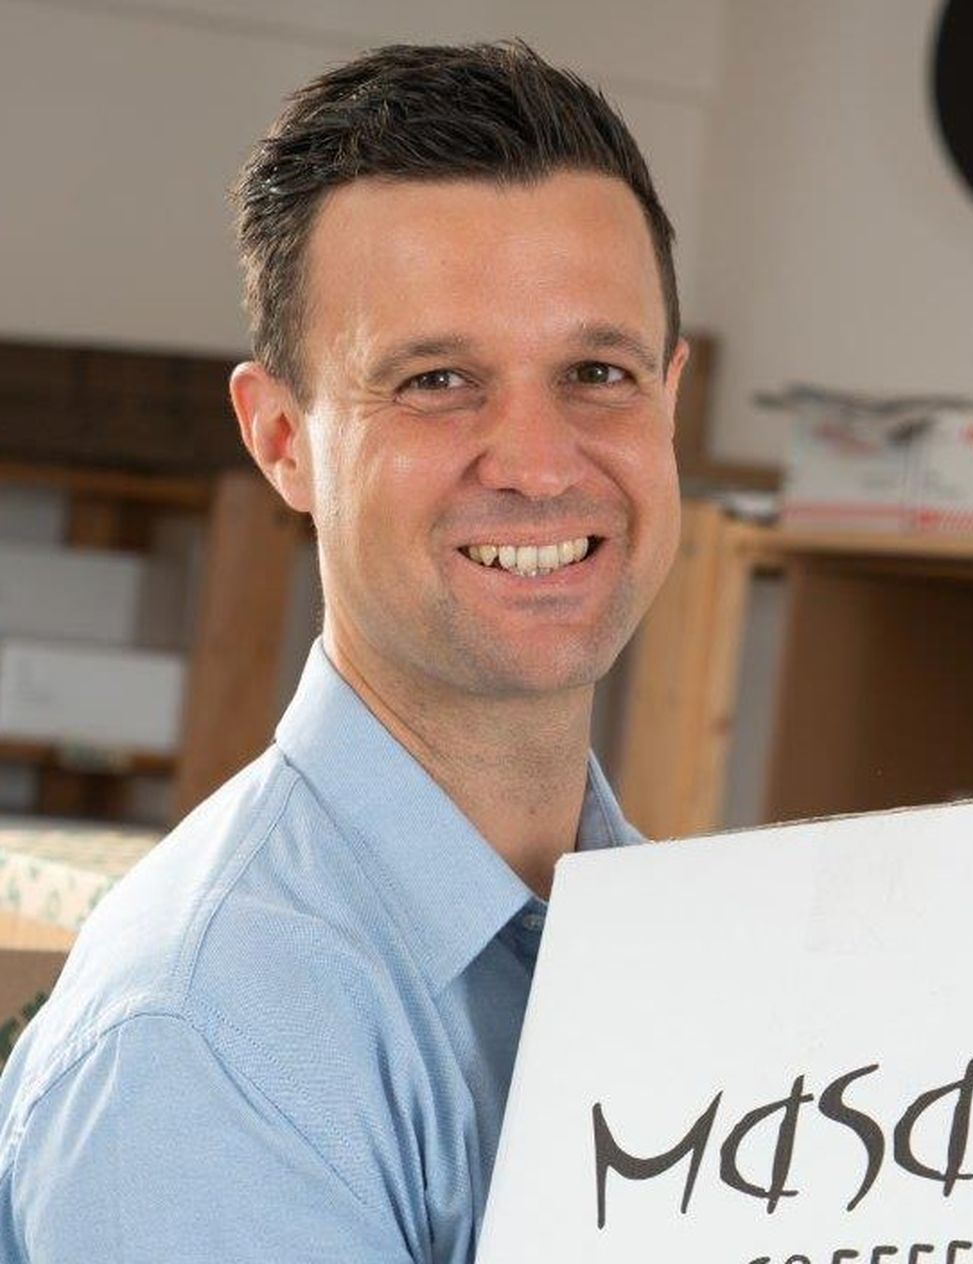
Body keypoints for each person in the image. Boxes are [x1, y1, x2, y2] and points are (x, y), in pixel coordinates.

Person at [0, 41, 687, 1260]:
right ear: (281, 441)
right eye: (436, 380)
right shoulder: (211, 1037)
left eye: (597, 372)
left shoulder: (686, 948)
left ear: (668, 399)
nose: (537, 462)